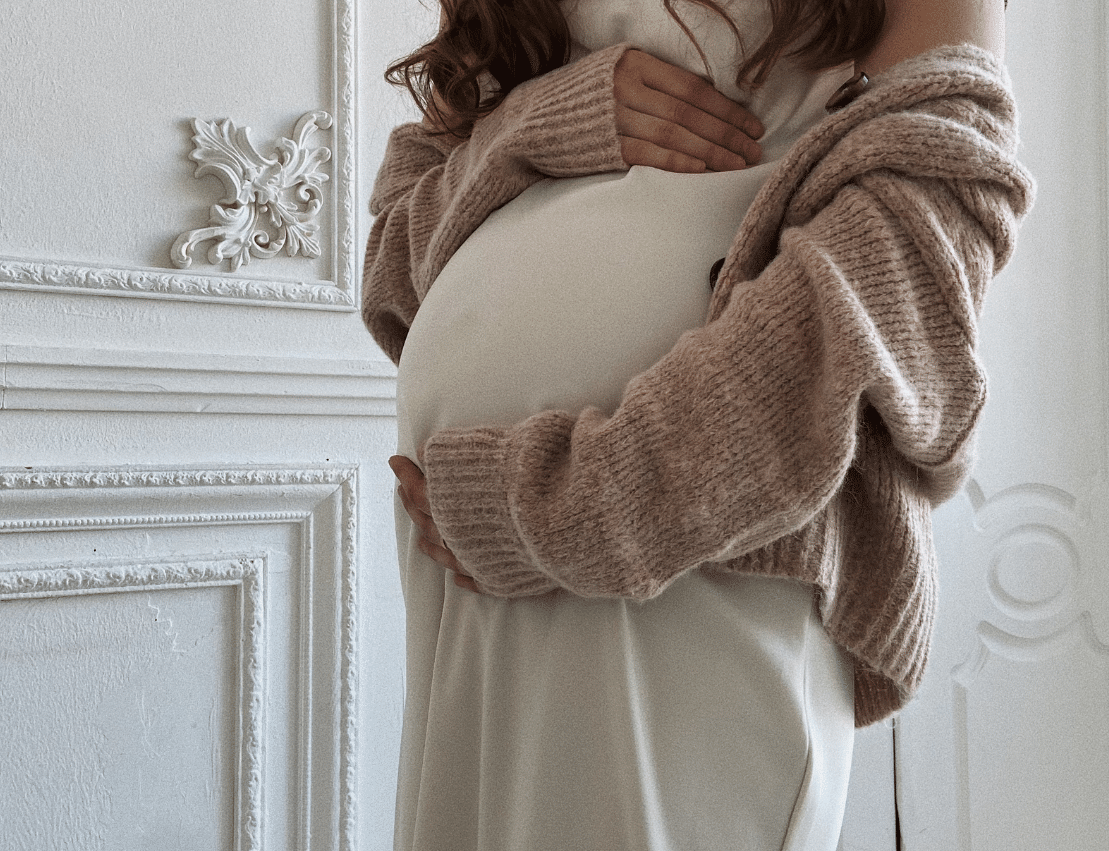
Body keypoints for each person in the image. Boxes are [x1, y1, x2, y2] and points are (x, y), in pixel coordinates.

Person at [364, 0, 1033, 847]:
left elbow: (895, 267)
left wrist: (551, 511)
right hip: (469, 567)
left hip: (704, 554)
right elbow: (392, 274)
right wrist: (532, 126)